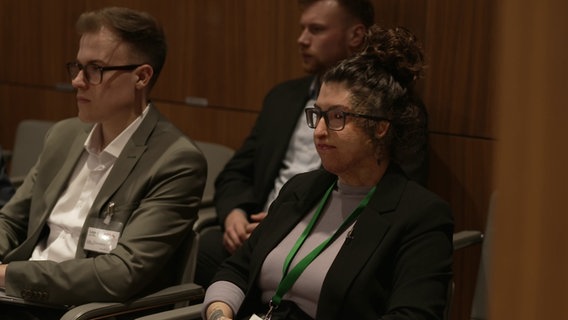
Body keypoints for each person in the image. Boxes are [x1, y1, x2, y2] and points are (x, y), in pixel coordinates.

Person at [201, 25, 453, 320]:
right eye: (317, 114)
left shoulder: (419, 215)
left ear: (380, 127)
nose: (319, 131)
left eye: (337, 117)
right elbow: (237, 268)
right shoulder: (301, 188)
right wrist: (220, 313)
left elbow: (412, 315)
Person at [0, 7, 206, 319]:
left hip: (84, 311)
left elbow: (119, 274)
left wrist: (7, 275)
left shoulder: (176, 162)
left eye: (95, 69)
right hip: (17, 298)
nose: (77, 82)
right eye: (77, 67)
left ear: (141, 76)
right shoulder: (63, 135)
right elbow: (11, 222)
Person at [196, 0, 385, 287]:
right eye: (302, 28)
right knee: (203, 248)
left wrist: (292, 227)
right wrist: (235, 214)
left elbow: (390, 198)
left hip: (324, 237)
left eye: (316, 29)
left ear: (355, 36)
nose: (302, 39)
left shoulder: (384, 109)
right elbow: (237, 173)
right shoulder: (281, 98)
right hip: (258, 232)